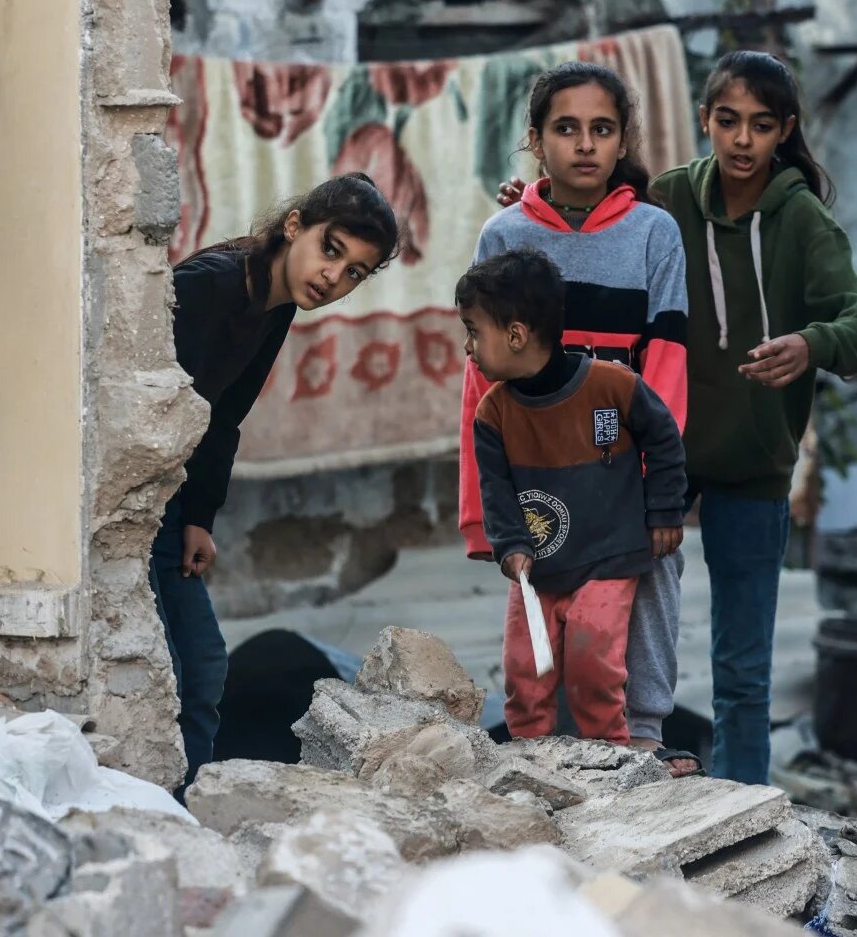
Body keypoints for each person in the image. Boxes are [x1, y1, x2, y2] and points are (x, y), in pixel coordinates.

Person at [497, 50, 857, 784]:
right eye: (728, 121)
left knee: (743, 666)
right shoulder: (669, 198)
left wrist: (811, 344)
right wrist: (528, 201)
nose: (742, 140)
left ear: (785, 131)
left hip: (752, 459)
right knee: (616, 634)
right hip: (647, 458)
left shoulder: (802, 220)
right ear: (705, 121)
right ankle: (620, 778)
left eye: (761, 126)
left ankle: (742, 809)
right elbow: (587, 205)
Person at [458, 61, 701, 772]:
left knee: (646, 587)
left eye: (602, 129)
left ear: (623, 139)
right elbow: (480, 380)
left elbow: (668, 363)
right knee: (542, 603)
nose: (585, 145)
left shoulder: (655, 235)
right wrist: (483, 508)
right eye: (567, 129)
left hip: (622, 464)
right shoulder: (504, 236)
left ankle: (644, 736)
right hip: (537, 465)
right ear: (536, 139)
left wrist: (657, 483)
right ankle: (546, 752)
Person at [161, 172, 401, 784]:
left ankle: (182, 804)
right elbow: (154, 411)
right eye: (331, 249)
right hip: (136, 501)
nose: (334, 277)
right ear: (294, 225)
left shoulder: (276, 306)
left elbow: (222, 419)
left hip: (171, 506)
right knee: (171, 669)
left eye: (355, 272)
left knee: (206, 668)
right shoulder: (211, 285)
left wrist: (198, 519)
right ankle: (163, 799)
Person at [458, 247, 688, 744]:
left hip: (609, 558)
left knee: (592, 657)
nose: (468, 347)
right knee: (524, 670)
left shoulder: (612, 385)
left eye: (474, 331)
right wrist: (511, 545)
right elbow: (495, 489)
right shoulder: (492, 412)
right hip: (538, 572)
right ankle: (532, 759)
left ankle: (612, 755)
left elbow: (664, 439)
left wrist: (665, 510)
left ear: (516, 335)